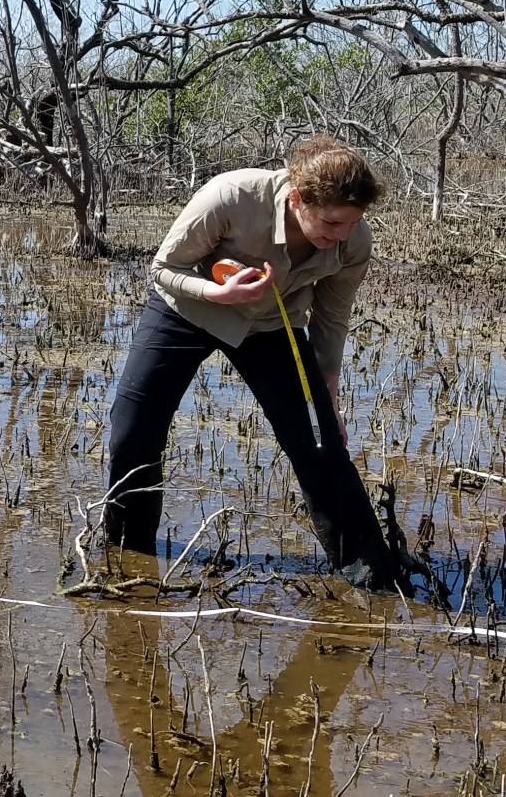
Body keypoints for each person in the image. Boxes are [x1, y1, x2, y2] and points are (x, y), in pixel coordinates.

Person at [104, 136, 400, 588]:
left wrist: (330, 399)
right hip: (187, 311)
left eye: (352, 222)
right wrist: (217, 293)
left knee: (321, 443)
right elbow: (163, 268)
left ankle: (373, 574)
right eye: (332, 222)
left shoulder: (353, 240)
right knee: (133, 434)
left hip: (269, 326)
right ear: (298, 197)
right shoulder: (230, 196)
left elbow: (331, 319)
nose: (341, 235)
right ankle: (127, 557)